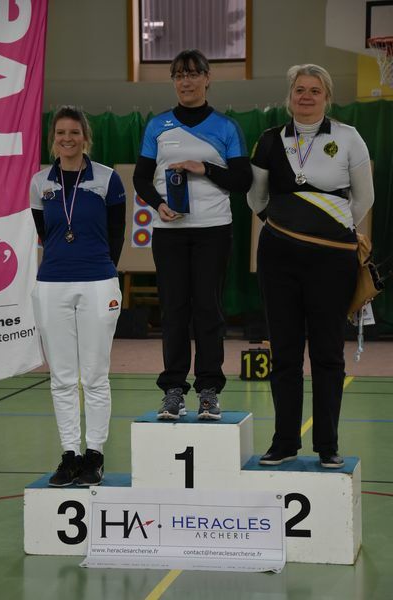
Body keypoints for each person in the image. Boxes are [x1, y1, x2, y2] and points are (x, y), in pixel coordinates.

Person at [247, 64, 374, 468]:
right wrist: (289, 229)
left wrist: (328, 230)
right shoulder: (269, 140)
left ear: (327, 97)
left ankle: (327, 445)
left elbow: (363, 198)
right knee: (284, 352)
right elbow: (257, 199)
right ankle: (284, 441)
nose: (306, 96)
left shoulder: (349, 137)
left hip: (332, 261)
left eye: (314, 90)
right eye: (299, 89)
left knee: (327, 353)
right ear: (290, 96)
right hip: (278, 258)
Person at [133, 49, 252, 421]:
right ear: (174, 81)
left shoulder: (227, 127)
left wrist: (205, 168)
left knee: (208, 309)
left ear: (207, 77)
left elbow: (242, 180)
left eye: (193, 74)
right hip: (169, 233)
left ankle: (208, 390)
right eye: (179, 75)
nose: (186, 81)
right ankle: (173, 390)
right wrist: (158, 205)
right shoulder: (158, 126)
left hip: (213, 231)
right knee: (173, 311)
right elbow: (141, 178)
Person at [30, 106, 126, 486]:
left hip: (98, 282)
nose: (67, 139)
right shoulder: (40, 182)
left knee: (95, 376)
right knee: (62, 377)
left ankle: (95, 455)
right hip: (52, 283)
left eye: (74, 132)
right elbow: (44, 232)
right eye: (60, 133)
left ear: (86, 137)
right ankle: (70, 455)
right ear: (52, 139)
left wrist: (99, 268)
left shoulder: (107, 178)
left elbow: (116, 234)